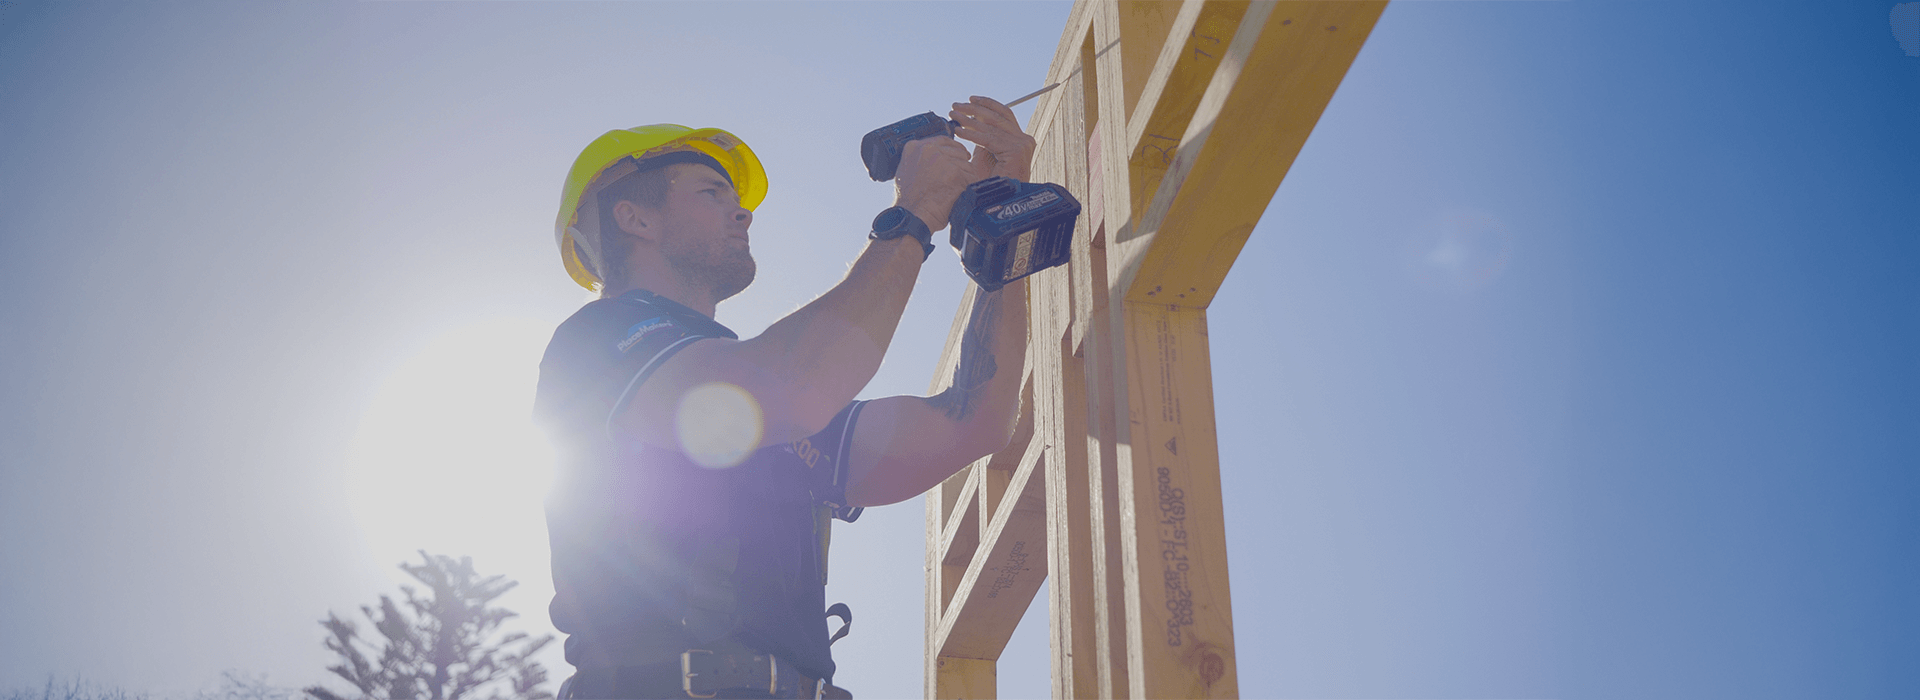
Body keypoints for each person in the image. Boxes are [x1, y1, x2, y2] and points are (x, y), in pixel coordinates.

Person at [535, 97, 1035, 700]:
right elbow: (791, 385)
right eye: (710, 192)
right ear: (635, 219)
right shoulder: (599, 344)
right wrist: (916, 211)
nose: (741, 213)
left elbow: (972, 423)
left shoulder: (761, 404)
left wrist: (1004, 228)